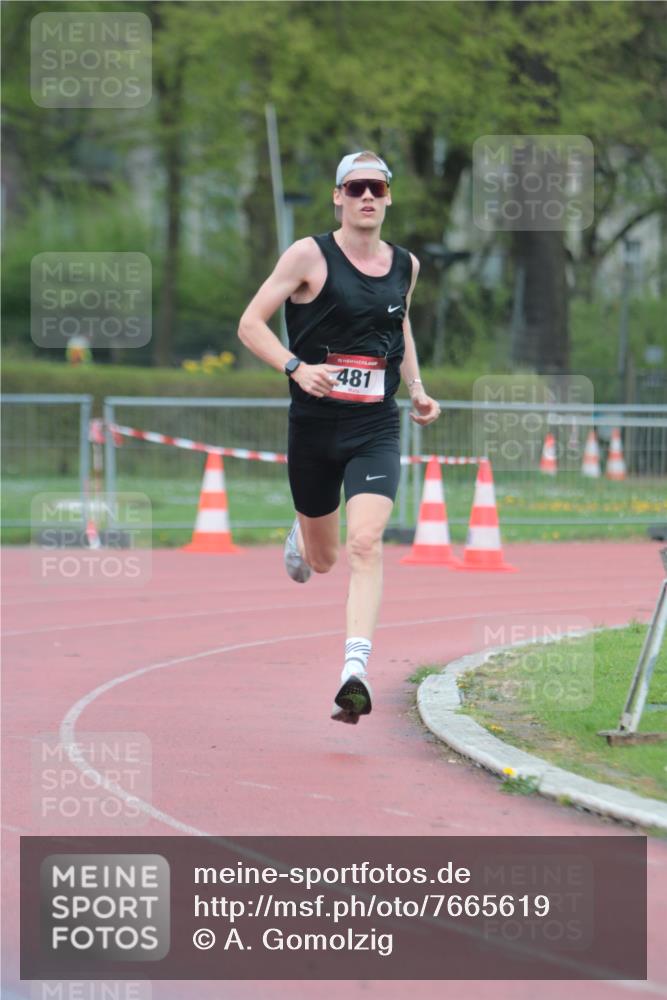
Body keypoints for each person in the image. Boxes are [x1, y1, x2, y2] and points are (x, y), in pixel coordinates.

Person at [238, 150, 441, 724]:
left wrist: (418, 387)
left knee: (366, 543)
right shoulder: (309, 254)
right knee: (324, 560)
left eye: (377, 187)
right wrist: (295, 367)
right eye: (356, 189)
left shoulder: (406, 264)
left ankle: (354, 670)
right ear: (339, 197)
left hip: (374, 424)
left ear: (389, 196)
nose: (367, 197)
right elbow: (250, 324)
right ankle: (303, 537)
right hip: (314, 426)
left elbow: (397, 322)